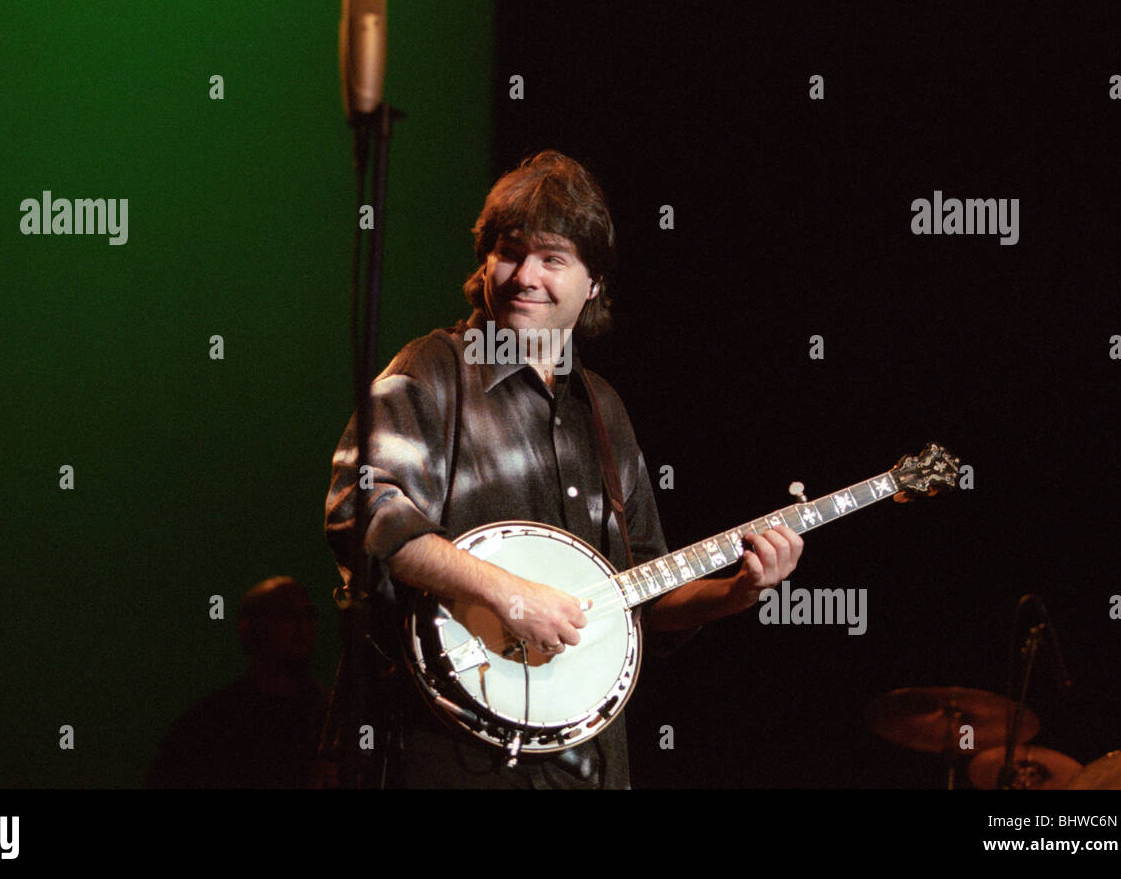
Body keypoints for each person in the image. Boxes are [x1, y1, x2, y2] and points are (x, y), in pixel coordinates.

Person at [324, 150, 803, 788]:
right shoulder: (432, 370)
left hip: (587, 765)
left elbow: (645, 601)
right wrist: (509, 595)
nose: (526, 276)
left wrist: (736, 593)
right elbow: (362, 514)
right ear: (484, 263)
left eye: (553, 258)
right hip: (446, 751)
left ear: (593, 282)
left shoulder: (603, 409)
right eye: (509, 251)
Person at [145, 577, 330, 788]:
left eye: (308, 615)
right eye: (287, 614)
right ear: (249, 628)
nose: (302, 625)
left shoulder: (328, 716)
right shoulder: (210, 726)